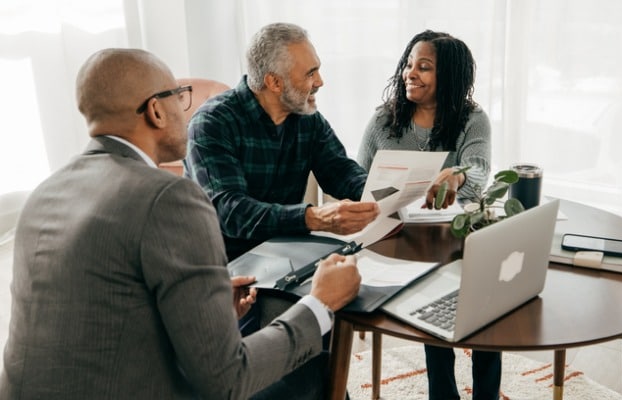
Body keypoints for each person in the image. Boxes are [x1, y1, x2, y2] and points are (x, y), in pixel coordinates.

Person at [0, 48, 361, 400]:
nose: (187, 108)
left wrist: (208, 305)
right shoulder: (169, 197)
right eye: (180, 96)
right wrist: (319, 303)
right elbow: (228, 381)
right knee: (316, 368)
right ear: (156, 110)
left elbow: (107, 306)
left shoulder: (43, 193)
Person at [357, 31, 500, 400]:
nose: (410, 73)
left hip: (458, 239)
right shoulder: (383, 121)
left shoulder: (472, 119)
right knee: (431, 314)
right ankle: (443, 392)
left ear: (448, 77)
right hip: (402, 241)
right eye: (408, 64)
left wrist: (460, 173)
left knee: (487, 315)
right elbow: (358, 178)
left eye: (424, 67)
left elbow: (479, 172)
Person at [184, 22, 380, 261]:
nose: (320, 81)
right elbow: (231, 212)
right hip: (222, 264)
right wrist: (313, 218)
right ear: (274, 82)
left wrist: (384, 193)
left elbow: (341, 171)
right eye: (310, 73)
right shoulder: (212, 123)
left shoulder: (309, 119)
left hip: (282, 255)